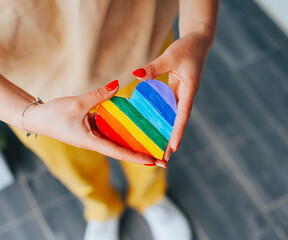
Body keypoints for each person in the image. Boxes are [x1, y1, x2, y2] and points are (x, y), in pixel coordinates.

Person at [0, 0, 219, 239]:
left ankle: (150, 197)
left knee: (149, 149)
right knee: (73, 167)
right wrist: (28, 115)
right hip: (30, 96)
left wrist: (199, 30)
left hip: (143, 48)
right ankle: (102, 208)